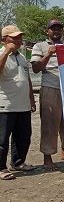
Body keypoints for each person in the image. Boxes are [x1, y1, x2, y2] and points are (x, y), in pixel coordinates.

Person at [31, 19, 64, 170]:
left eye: (59, 28)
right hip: (50, 87)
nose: (56, 31)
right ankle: (47, 157)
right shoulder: (40, 46)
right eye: (53, 28)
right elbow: (36, 68)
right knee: (49, 123)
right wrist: (49, 54)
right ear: (47, 31)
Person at [0, 25, 36, 180]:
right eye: (14, 37)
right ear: (4, 39)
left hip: (23, 105)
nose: (18, 40)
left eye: (19, 37)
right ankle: (1, 168)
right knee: (2, 139)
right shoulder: (2, 54)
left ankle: (18, 162)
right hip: (5, 105)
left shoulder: (21, 57)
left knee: (23, 136)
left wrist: (31, 98)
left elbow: (26, 79)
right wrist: (6, 52)